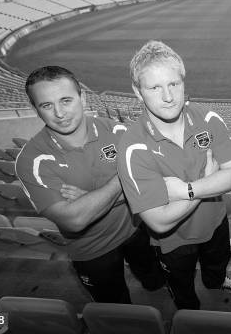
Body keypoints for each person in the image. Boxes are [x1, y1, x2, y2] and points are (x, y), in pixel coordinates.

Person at [16, 65, 165, 303]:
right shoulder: (32, 160)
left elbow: (153, 180)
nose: (59, 113)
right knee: (116, 307)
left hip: (136, 229)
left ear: (82, 98)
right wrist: (123, 179)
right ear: (35, 109)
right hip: (92, 250)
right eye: (46, 105)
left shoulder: (117, 130)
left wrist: (89, 199)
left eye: (66, 100)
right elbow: (75, 220)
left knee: (154, 279)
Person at [116, 40, 231, 310]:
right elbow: (159, 222)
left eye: (173, 84)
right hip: (174, 240)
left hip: (216, 221)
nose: (168, 96)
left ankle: (216, 281)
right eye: (154, 87)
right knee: (180, 282)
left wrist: (185, 190)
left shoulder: (208, 118)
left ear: (183, 82)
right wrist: (205, 183)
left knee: (217, 264)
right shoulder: (132, 146)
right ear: (138, 93)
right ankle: (189, 312)